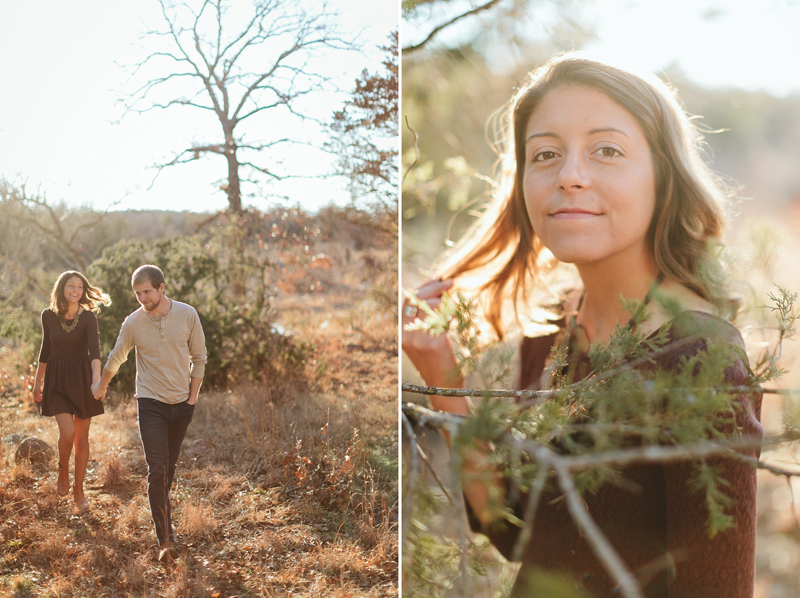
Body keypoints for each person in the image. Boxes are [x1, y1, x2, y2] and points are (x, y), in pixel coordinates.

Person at [402, 53, 764, 598]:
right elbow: (520, 536)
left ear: (664, 178)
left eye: (607, 150)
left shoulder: (699, 362)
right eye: (545, 154)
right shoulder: (554, 332)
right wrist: (439, 369)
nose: (569, 176)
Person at [92, 264, 207, 564]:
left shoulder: (187, 314)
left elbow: (200, 357)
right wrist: (101, 385)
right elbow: (116, 357)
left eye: (146, 292)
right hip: (150, 403)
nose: (142, 298)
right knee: (156, 470)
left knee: (168, 468)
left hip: (182, 404)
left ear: (161, 287)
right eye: (137, 293)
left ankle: (162, 515)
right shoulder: (133, 323)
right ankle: (166, 539)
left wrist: (192, 398)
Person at [32, 271, 110, 513]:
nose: (75, 290)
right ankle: (62, 470)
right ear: (62, 288)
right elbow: (45, 349)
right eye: (71, 285)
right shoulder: (48, 315)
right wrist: (37, 383)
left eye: (79, 286)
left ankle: (79, 489)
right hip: (56, 379)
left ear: (83, 291)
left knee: (81, 439)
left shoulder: (88, 318)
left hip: (82, 378)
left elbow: (95, 352)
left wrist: (97, 380)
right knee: (67, 433)